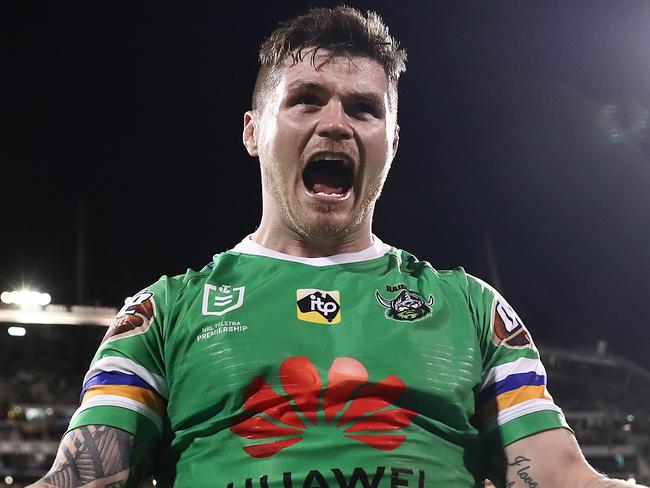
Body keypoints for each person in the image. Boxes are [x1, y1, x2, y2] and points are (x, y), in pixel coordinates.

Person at [28, 6, 646, 488]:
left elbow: (561, 477)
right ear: (253, 131)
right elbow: (82, 478)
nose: (335, 124)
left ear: (393, 141)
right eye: (305, 99)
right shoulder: (161, 315)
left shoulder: (474, 310)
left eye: (363, 109)